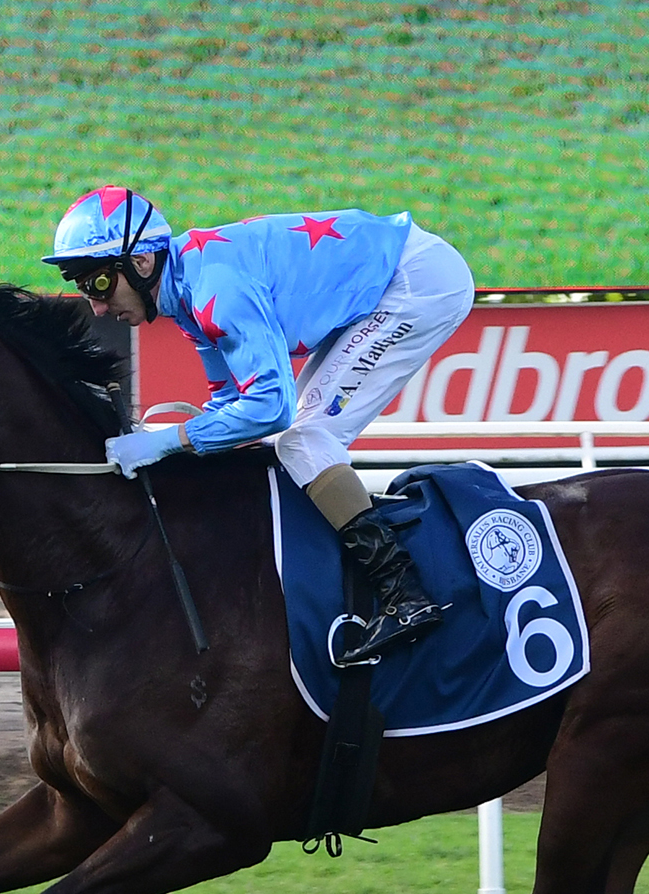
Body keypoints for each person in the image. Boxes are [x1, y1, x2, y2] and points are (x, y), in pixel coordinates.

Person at [43, 186, 475, 664]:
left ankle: (404, 595)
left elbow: (270, 408)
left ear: (142, 262)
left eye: (100, 284)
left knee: (304, 439)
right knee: (293, 439)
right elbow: (230, 404)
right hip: (396, 277)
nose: (97, 307)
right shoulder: (187, 295)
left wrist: (165, 442)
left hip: (417, 283)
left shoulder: (216, 291)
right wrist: (166, 443)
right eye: (84, 289)